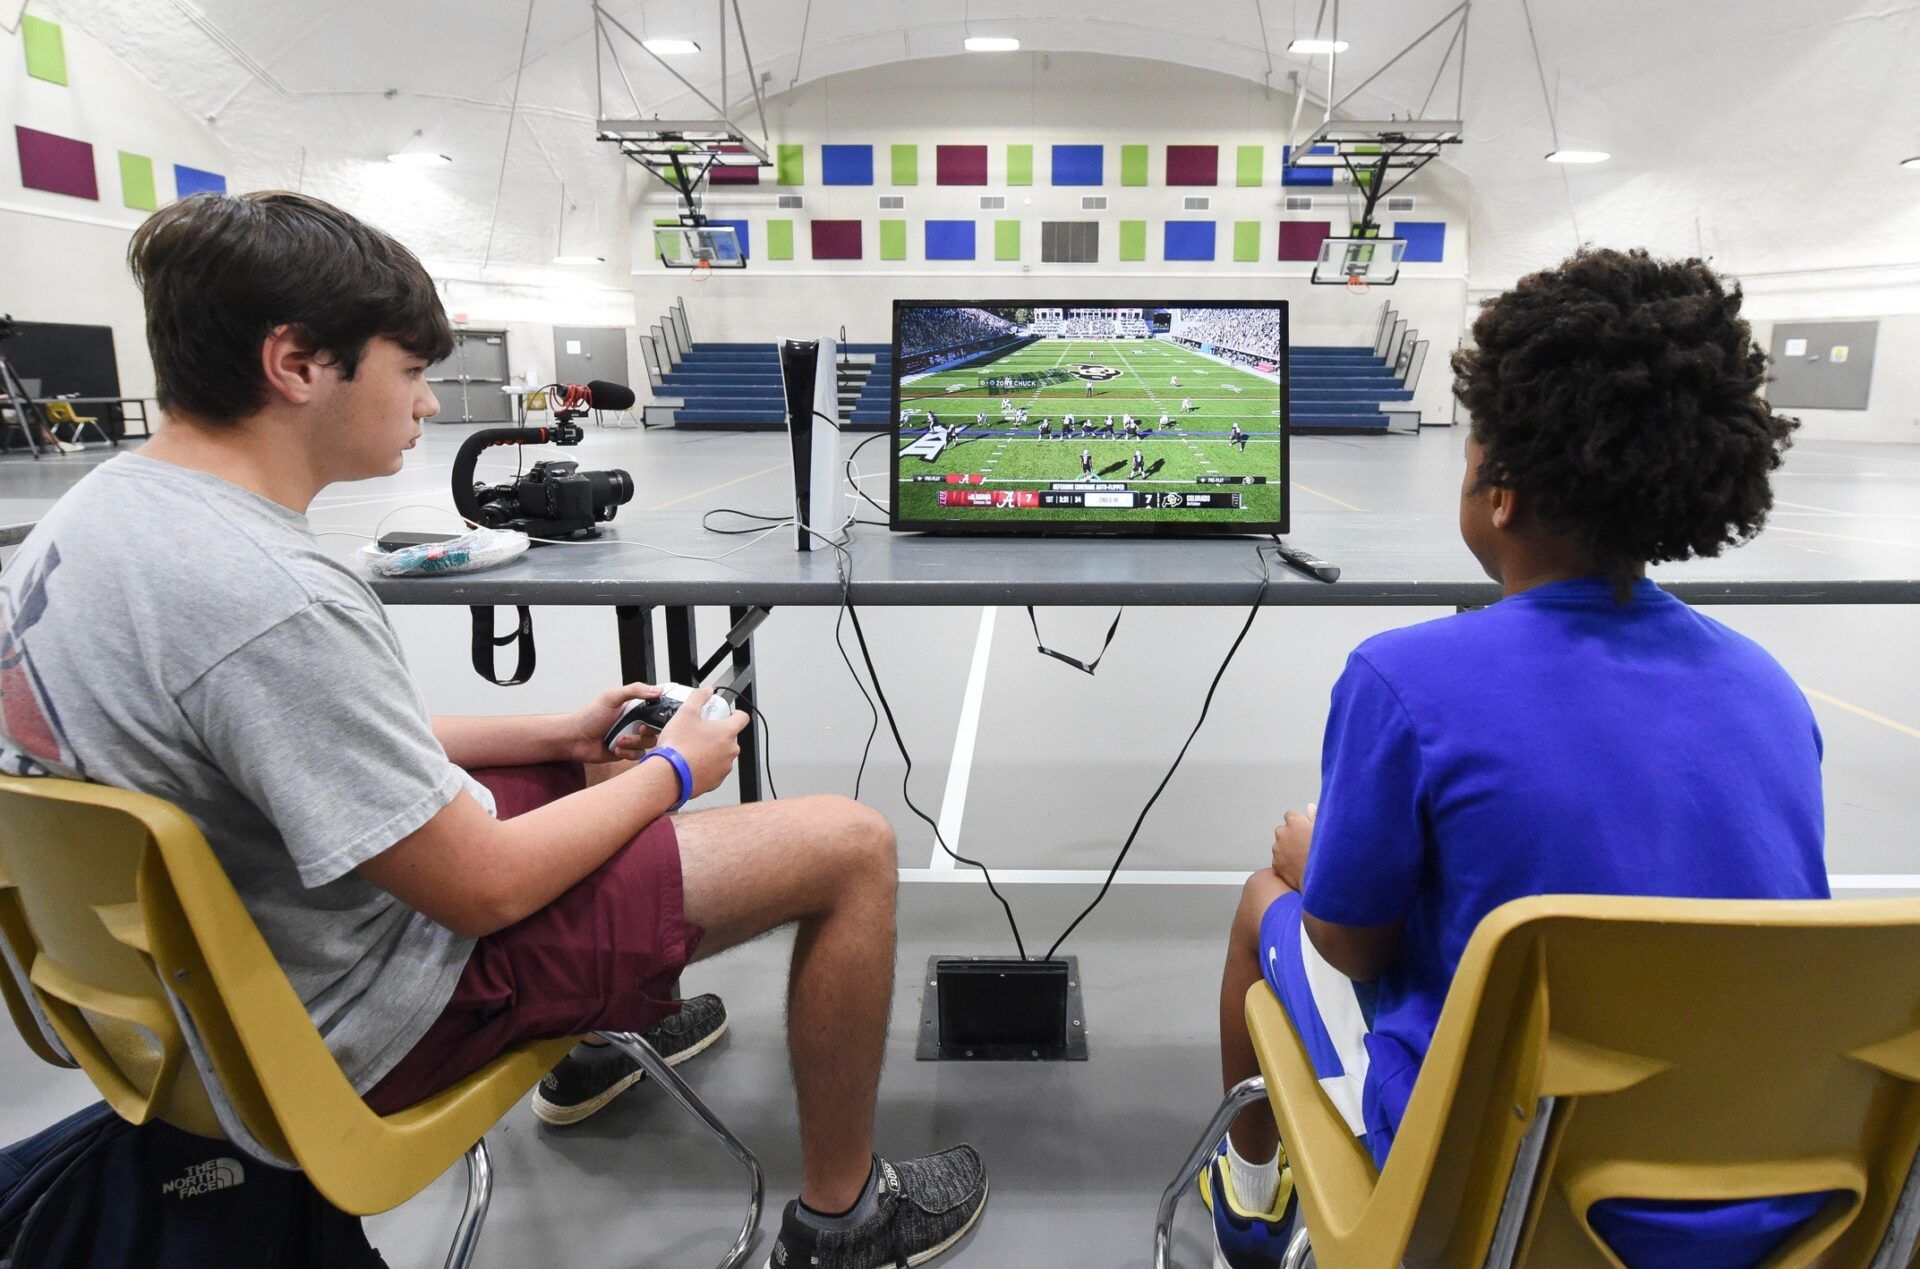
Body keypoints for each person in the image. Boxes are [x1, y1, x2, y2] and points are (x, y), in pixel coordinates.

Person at [0, 192, 987, 1269]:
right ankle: (847, 1219)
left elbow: (304, 747)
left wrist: (559, 733)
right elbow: (482, 891)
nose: (428, 405)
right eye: (410, 370)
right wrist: (670, 768)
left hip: (200, 1006)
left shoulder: (93, 521)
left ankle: (608, 1045)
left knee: (570, 786)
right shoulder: (272, 594)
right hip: (358, 1019)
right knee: (849, 845)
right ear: (296, 363)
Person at [1204, 248, 1820, 1269]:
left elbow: (1351, 943)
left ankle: (1254, 1199)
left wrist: (1318, 867)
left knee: (1261, 896)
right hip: (1774, 1191)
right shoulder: (1770, 689)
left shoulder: (1405, 677)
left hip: (1506, 1190)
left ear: (1501, 493)